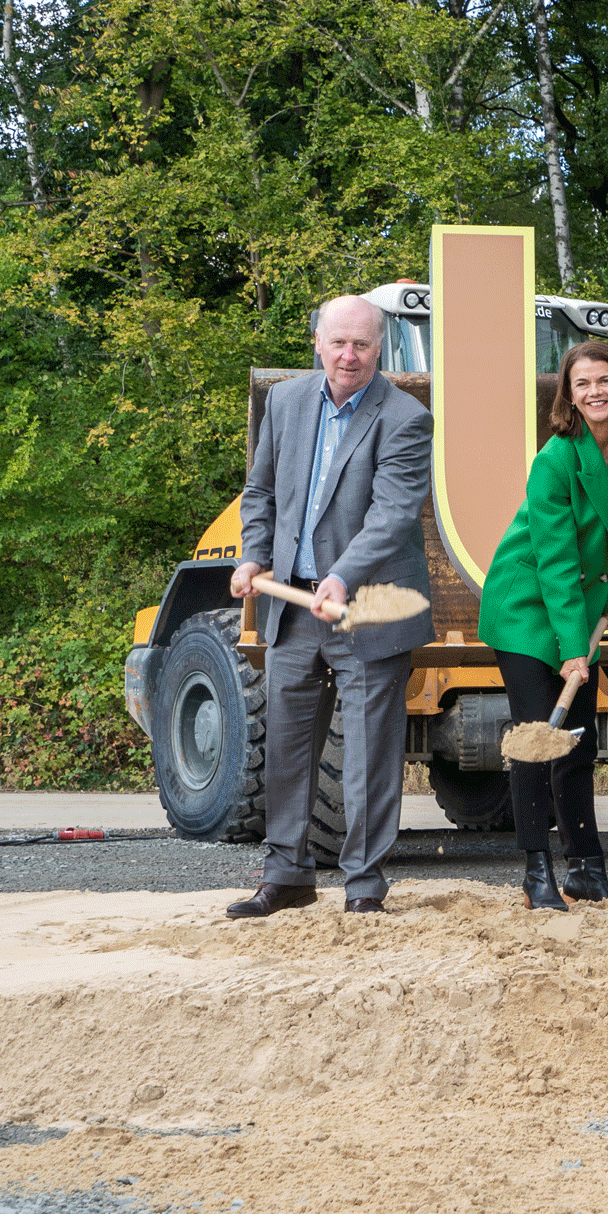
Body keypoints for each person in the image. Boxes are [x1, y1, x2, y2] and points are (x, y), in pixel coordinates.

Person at [229, 294, 434, 917]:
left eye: (363, 344)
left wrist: (342, 577)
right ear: (317, 341)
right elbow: (260, 489)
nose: (349, 355)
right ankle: (287, 873)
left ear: (381, 349)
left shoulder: (405, 417)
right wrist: (252, 555)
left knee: (370, 752)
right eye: (339, 342)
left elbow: (394, 516)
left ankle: (364, 885)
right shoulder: (286, 402)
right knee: (287, 746)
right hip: (292, 612)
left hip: (370, 608)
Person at [479, 341, 608, 910]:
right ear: (568, 396)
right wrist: (575, 649)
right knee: (538, 739)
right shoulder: (554, 458)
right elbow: (554, 560)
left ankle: (587, 867)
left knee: (578, 741)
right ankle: (536, 872)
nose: (595, 391)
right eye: (583, 384)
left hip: (578, 605)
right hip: (526, 605)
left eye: (606, 380)